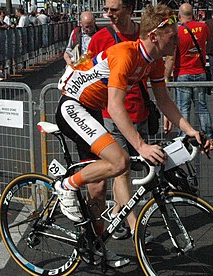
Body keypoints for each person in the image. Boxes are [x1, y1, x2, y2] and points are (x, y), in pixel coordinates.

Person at [55, 3, 211, 268]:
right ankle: (66, 185)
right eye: (172, 36)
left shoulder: (154, 60)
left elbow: (164, 101)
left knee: (98, 188)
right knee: (120, 162)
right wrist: (141, 145)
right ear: (154, 36)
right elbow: (115, 105)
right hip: (73, 105)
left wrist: (192, 130)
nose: (177, 40)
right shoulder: (126, 54)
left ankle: (97, 246)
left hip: (93, 108)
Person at [86, 0, 149, 240]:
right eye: (106, 9)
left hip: (139, 109)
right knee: (122, 169)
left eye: (114, 9)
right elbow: (86, 65)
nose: (108, 14)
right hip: (110, 113)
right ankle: (135, 226)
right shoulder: (101, 37)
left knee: (128, 170)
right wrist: (73, 65)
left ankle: (117, 212)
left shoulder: (143, 35)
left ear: (129, 10)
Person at [165, 3, 213, 148]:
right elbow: (206, 39)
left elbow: (171, 57)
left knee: (183, 108)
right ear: (192, 14)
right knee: (202, 107)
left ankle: (183, 140)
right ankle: (209, 139)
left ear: (179, 15)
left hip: (183, 73)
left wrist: (166, 77)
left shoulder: (178, 32)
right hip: (199, 71)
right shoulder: (203, 27)